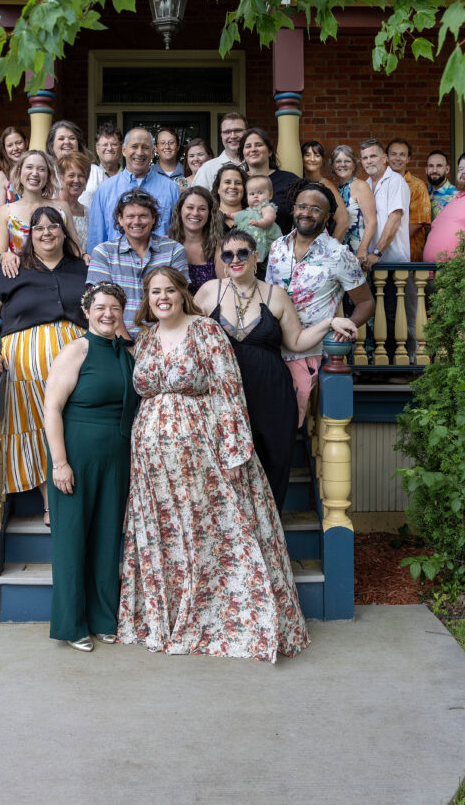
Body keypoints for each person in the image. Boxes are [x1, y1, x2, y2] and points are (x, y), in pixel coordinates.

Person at [117, 266, 311, 662]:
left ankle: (216, 618)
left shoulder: (205, 331)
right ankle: (168, 618)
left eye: (169, 290)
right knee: (169, 537)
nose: (162, 298)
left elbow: (229, 390)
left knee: (211, 533)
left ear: (182, 293)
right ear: (147, 299)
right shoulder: (147, 338)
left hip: (202, 456)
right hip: (153, 465)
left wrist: (235, 448)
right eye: (154, 293)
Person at [195, 231, 357, 510]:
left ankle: (269, 536)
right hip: (222, 401)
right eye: (228, 255)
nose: (235, 259)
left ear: (256, 257)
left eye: (243, 253)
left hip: (271, 397)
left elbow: (295, 341)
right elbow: (189, 338)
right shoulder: (210, 291)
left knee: (273, 462)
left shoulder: (276, 295)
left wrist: (330, 322)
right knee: (224, 470)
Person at [44, 282, 137, 651]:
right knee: (71, 542)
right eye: (100, 307)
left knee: (105, 540)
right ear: (87, 311)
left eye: (114, 307)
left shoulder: (126, 353)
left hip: (117, 460)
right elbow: (51, 408)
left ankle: (103, 618)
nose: (107, 313)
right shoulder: (76, 350)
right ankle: (71, 625)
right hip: (76, 459)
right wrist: (60, 463)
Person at [0, 206, 88, 524]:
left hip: (77, 359)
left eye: (53, 226)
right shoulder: (14, 268)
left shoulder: (81, 269)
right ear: (30, 235)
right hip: (25, 366)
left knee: (77, 421)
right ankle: (49, 500)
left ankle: (79, 490)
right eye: (38, 228)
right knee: (35, 422)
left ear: (64, 232)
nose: (46, 233)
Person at [267, 181, 374, 424]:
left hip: (308, 352)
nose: (306, 213)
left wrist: (346, 326)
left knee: (291, 423)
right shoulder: (276, 248)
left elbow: (366, 302)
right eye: (302, 206)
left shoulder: (339, 255)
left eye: (315, 209)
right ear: (294, 209)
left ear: (327, 217)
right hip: (271, 349)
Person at [86, 189, 188, 336]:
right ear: (120, 219)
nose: (136, 221)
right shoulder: (103, 253)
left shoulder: (174, 250)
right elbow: (104, 306)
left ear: (153, 219)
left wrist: (157, 343)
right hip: (115, 340)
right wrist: (127, 345)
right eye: (130, 216)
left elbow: (178, 300)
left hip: (165, 338)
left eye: (143, 216)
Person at [86, 127, 180, 253]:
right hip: (115, 268)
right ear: (124, 150)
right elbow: (96, 238)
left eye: (145, 147)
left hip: (159, 268)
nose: (139, 152)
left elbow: (178, 235)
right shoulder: (105, 189)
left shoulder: (171, 189)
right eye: (134, 146)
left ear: (153, 152)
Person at [359, 138, 410, 363]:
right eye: (365, 157)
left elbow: (394, 219)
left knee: (390, 315)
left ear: (384, 158)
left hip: (391, 261)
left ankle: (391, 366)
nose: (369, 161)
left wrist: (377, 252)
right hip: (370, 264)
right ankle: (374, 362)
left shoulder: (395, 181)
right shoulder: (366, 184)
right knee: (373, 315)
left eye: (373, 156)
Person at [0, 149, 81, 277]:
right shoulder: (5, 212)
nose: (35, 173)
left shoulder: (62, 208)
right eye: (29, 167)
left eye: (41, 169)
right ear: (19, 171)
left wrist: (85, 256)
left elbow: (75, 249)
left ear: (48, 175)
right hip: (20, 279)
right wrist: (4, 256)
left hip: (59, 275)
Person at [423, 151, 465, 262]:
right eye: (460, 169)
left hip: (460, 273)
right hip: (431, 274)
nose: (464, 172)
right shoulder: (457, 197)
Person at [238, 127, 299, 234]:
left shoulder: (289, 180)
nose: (253, 149)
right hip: (242, 248)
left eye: (258, 145)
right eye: (248, 146)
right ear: (243, 153)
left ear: (270, 151)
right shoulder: (237, 182)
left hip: (280, 247)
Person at [167, 185, 224, 295]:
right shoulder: (166, 244)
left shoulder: (219, 247)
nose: (195, 213)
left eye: (202, 209)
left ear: (210, 214)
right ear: (180, 210)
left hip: (209, 309)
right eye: (190, 207)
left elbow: (224, 290)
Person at [386, 139, 432, 261]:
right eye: (393, 154)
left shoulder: (418, 186)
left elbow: (416, 223)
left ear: (408, 159)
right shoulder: (380, 184)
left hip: (409, 257)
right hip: (381, 255)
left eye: (402, 155)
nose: (397, 158)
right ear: (386, 157)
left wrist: (385, 244)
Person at [330, 144, 377, 261]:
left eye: (347, 161)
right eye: (338, 161)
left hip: (355, 251)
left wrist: (362, 250)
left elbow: (371, 222)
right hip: (338, 252)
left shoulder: (360, 186)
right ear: (333, 165)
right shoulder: (337, 190)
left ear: (354, 165)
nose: (342, 165)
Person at [233, 174, 282, 275]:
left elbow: (269, 219)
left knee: (270, 260)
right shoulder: (248, 211)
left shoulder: (267, 208)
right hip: (254, 242)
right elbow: (238, 215)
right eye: (251, 194)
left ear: (270, 195)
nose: (255, 196)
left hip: (267, 238)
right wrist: (229, 214)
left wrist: (259, 223)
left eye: (260, 192)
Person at [301, 140, 348, 242]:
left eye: (317, 155)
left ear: (322, 160)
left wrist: (331, 250)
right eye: (307, 155)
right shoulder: (299, 184)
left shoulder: (327, 186)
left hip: (320, 245)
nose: (312, 159)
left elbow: (343, 221)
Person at [192, 112, 247, 189]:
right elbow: (196, 200)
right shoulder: (207, 169)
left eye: (238, 131)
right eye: (227, 132)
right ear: (221, 136)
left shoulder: (257, 165)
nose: (233, 136)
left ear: (246, 133)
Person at [80, 122, 123, 211]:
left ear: (121, 147)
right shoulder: (87, 175)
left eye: (114, 144)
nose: (109, 148)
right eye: (105, 145)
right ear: (97, 148)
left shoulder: (130, 176)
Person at [56, 151, 92, 254]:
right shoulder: (50, 207)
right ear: (61, 177)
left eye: (81, 176)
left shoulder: (88, 213)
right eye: (71, 175)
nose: (76, 180)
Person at [0, 126, 27, 208]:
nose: (15, 148)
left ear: (26, 142)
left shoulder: (35, 172)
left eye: (19, 143)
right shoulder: (0, 177)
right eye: (10, 145)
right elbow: (1, 214)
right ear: (4, 149)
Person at [211, 163, 248, 230]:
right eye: (227, 182)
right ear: (218, 188)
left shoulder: (254, 216)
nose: (233, 186)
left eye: (238, 183)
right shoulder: (208, 217)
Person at [425, 150, 458, 219]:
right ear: (426, 170)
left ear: (447, 169)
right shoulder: (423, 194)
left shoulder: (457, 196)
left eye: (439, 166)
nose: (434, 170)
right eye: (431, 166)